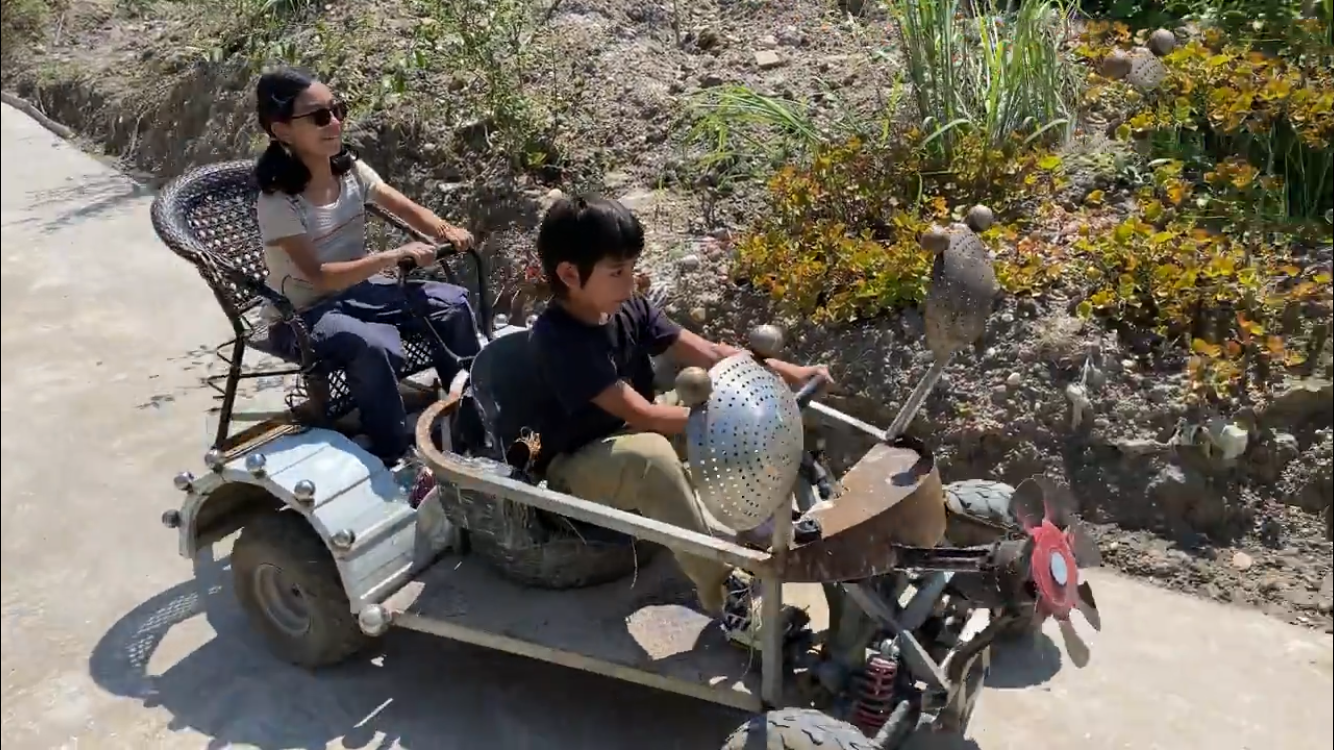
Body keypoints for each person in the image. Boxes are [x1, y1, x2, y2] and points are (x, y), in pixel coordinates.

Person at [529, 195, 830, 643]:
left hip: (630, 433)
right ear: (570, 275)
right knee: (654, 455)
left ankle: (767, 524)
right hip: (576, 464)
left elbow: (712, 356)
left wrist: (792, 374)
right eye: (617, 272)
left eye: (632, 267)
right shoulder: (558, 339)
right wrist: (730, 421)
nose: (631, 282)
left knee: (724, 398)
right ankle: (727, 595)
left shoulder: (627, 306)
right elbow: (641, 414)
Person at [251, 68, 481, 466]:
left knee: (454, 305)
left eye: (337, 110)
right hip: (302, 315)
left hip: (358, 291)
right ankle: (394, 445)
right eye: (320, 117)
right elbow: (318, 275)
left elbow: (405, 206)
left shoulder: (351, 171)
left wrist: (446, 230)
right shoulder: (278, 202)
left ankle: (471, 411)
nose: (335, 122)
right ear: (283, 130)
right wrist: (390, 257)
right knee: (372, 346)